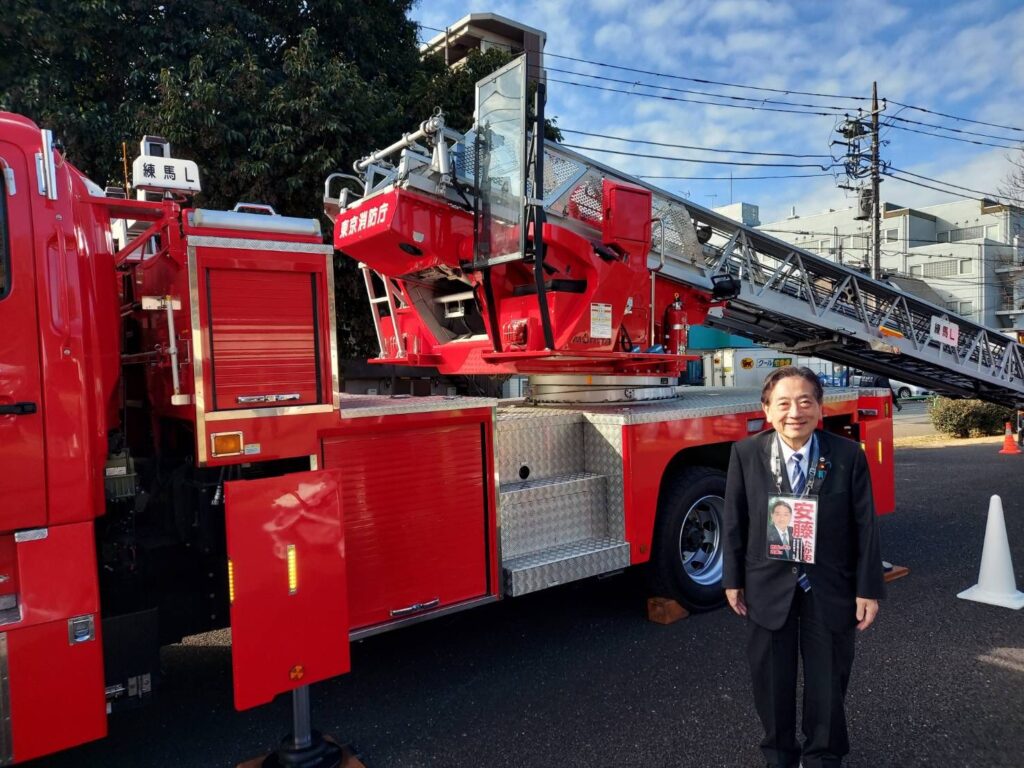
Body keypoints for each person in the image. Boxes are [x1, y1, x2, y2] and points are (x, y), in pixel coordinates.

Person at [723, 366, 885, 768]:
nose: (794, 412)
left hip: (828, 584)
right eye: (783, 403)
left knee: (828, 680)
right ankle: (779, 756)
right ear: (766, 409)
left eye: (805, 401)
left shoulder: (846, 455)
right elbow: (734, 520)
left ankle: (823, 756)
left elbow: (865, 524)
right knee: (771, 681)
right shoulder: (746, 454)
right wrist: (732, 579)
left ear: (820, 407)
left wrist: (868, 588)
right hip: (766, 583)